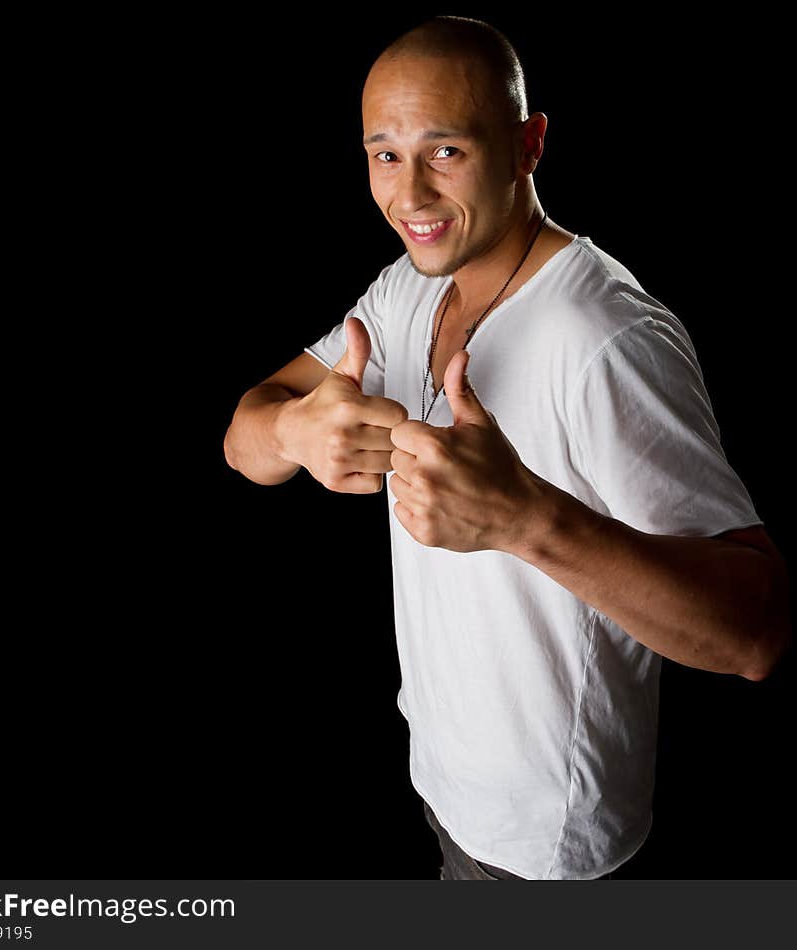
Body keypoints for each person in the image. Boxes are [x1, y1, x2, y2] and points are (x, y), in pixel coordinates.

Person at [223, 16, 791, 880]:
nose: (408, 195)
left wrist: (528, 520)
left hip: (547, 849)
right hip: (444, 784)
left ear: (529, 144)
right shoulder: (407, 293)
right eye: (384, 154)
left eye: (445, 151)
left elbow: (756, 631)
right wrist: (294, 432)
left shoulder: (604, 335)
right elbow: (243, 437)